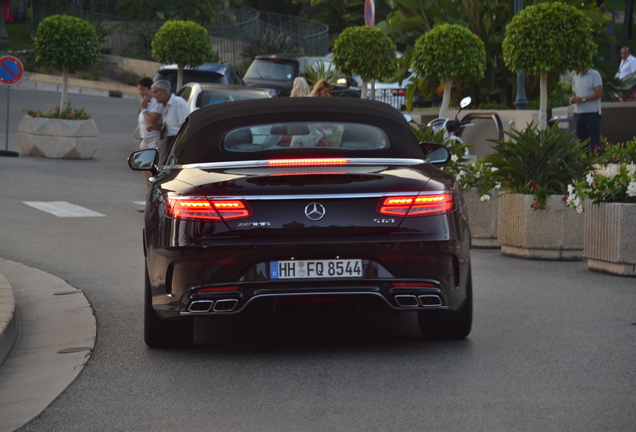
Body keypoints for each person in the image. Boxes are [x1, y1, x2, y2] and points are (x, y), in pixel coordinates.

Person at [150, 80, 191, 161]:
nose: (154, 96)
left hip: (177, 141)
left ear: (164, 91)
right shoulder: (164, 105)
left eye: (156, 92)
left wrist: (179, 144)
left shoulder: (178, 102)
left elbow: (186, 125)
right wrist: (155, 126)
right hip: (168, 141)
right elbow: (169, 125)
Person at [136, 77, 164, 186]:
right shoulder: (146, 102)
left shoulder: (156, 103)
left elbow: (151, 120)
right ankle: (149, 192)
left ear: (150, 89)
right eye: (139, 90)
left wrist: (143, 108)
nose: (141, 93)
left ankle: (154, 191)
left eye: (143, 90)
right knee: (144, 168)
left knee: (152, 169)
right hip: (145, 139)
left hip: (154, 139)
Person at [570, 67, 603, 154]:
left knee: (594, 140)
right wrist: (573, 99)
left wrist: (583, 99)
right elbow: (575, 94)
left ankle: (597, 159)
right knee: (581, 141)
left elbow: (599, 93)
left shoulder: (594, 74)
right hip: (578, 113)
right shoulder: (575, 77)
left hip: (592, 112)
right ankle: (584, 161)